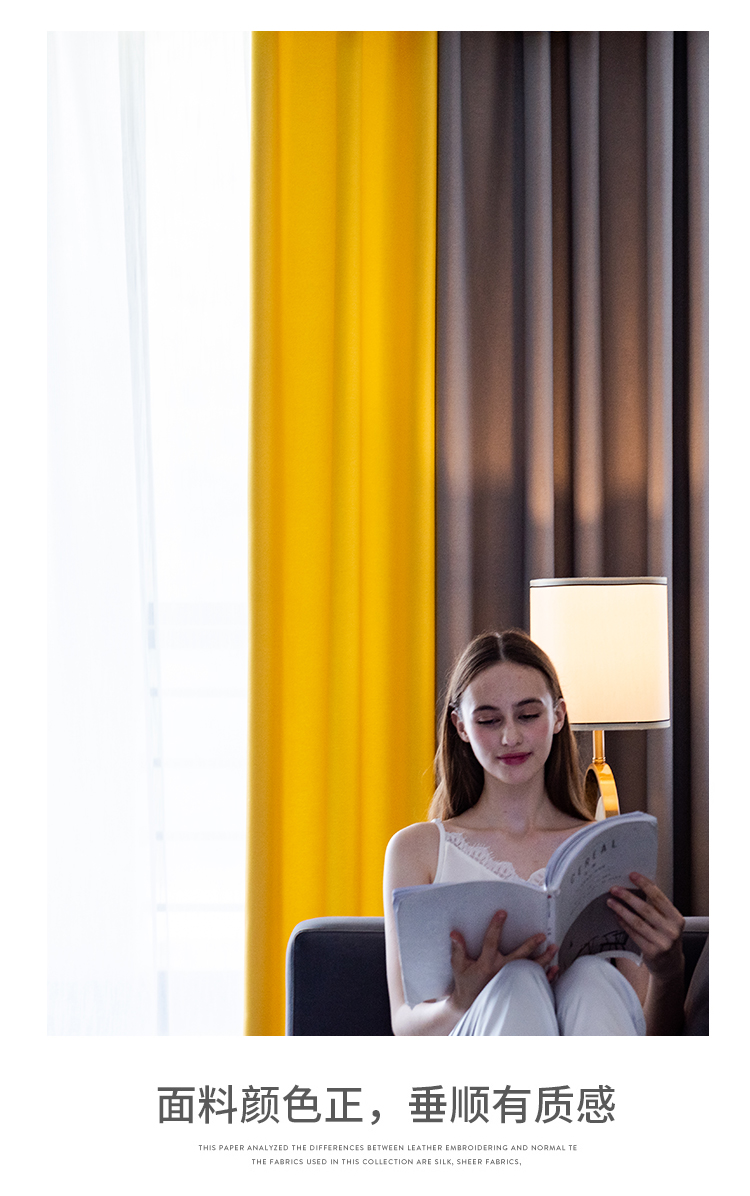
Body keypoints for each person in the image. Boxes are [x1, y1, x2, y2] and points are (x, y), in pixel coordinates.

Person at [383, 629, 686, 1036]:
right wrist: (460, 1002)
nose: (510, 737)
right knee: (518, 981)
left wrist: (669, 971)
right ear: (460, 726)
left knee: (592, 978)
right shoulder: (416, 850)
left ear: (558, 716)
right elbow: (405, 1027)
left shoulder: (607, 849)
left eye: (528, 715)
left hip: (599, 1044)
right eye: (489, 720)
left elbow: (650, 1035)